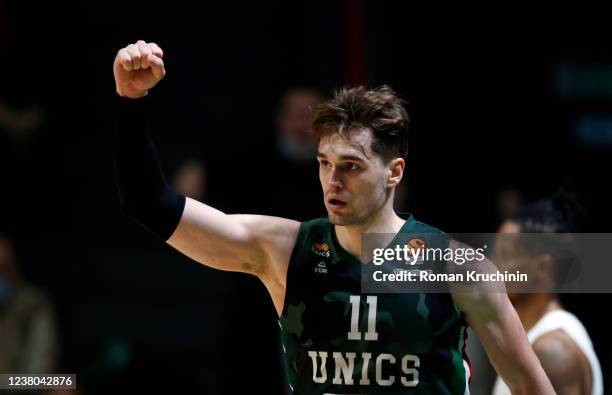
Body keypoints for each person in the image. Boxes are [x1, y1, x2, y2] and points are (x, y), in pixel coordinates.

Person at [112, 40, 555, 394]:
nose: (332, 180)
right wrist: (131, 100)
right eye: (325, 163)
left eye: (352, 166)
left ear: (394, 172)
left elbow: (531, 388)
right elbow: (150, 204)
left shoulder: (456, 265)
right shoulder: (284, 250)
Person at [492, 192, 603, 395]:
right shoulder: (534, 341)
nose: (492, 266)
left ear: (542, 267)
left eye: (505, 254)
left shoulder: (553, 351)